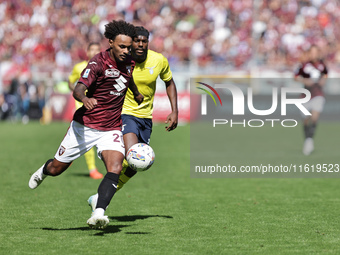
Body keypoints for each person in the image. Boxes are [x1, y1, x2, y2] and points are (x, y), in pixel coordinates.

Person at [28, 20, 144, 229]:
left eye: (129, 47)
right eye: (122, 47)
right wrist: (85, 99)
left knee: (115, 168)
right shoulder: (97, 63)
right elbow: (78, 89)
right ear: (110, 42)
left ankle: (98, 213)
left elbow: (128, 77)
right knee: (57, 168)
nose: (127, 51)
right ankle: (43, 171)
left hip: (111, 128)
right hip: (85, 127)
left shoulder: (129, 61)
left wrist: (135, 92)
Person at [87, 26, 178, 211]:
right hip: (125, 113)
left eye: (144, 41)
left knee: (135, 165)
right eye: (137, 41)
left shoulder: (158, 60)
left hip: (146, 118)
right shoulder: (122, 60)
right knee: (133, 155)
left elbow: (169, 82)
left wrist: (174, 110)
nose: (140, 44)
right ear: (131, 42)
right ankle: (105, 153)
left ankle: (99, 197)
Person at [68, 42, 103, 179]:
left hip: (98, 106)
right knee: (86, 138)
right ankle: (92, 169)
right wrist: (80, 96)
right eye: (92, 49)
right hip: (83, 106)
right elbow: (71, 81)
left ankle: (66, 156)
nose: (94, 52)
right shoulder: (79, 67)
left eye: (97, 49)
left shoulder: (105, 66)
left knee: (86, 138)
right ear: (87, 52)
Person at [294, 45, 328, 155]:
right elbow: (295, 76)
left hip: (317, 94)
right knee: (305, 120)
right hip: (306, 96)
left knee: (314, 117)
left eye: (315, 52)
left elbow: (326, 75)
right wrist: (305, 81)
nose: (313, 55)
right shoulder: (304, 66)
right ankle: (307, 140)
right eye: (311, 52)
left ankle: (309, 141)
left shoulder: (322, 65)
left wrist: (323, 80)